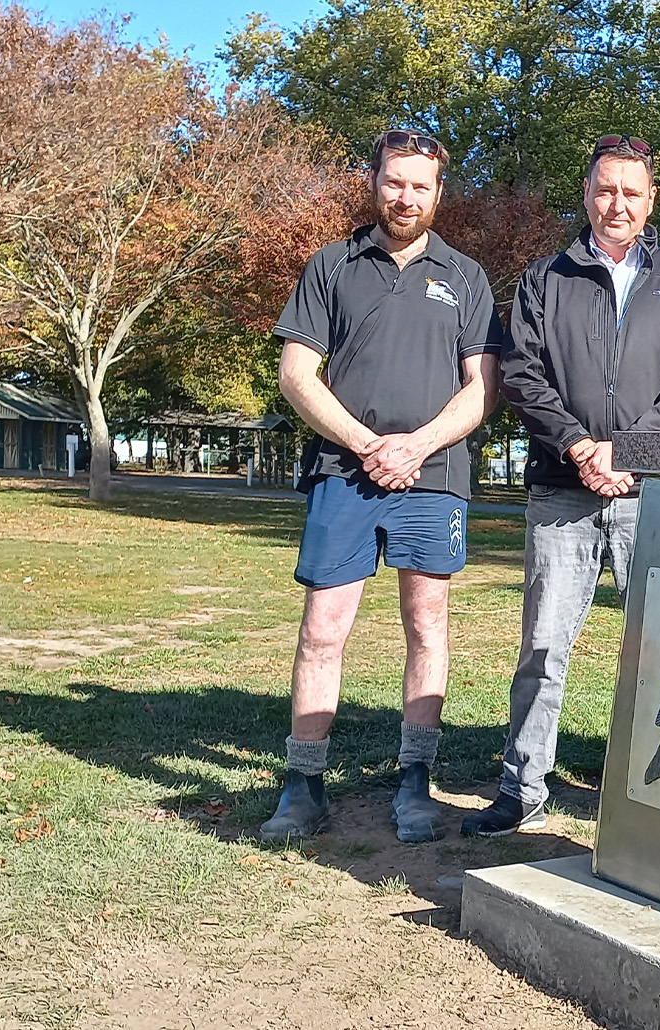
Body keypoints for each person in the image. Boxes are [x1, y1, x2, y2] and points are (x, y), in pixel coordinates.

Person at [463, 134, 660, 836]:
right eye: (605, 190)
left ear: (650, 201)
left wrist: (631, 451)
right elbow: (522, 372)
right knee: (543, 650)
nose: (617, 204)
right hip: (560, 490)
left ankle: (654, 791)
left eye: (631, 192)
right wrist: (580, 445)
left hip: (653, 497)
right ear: (586, 195)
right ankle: (522, 788)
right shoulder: (547, 279)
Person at [262, 129, 503, 844]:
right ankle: (303, 786)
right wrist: (368, 446)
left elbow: (483, 387)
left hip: (435, 478)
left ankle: (414, 783)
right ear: (374, 181)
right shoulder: (331, 266)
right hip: (345, 472)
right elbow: (296, 374)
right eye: (394, 181)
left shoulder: (467, 276)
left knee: (426, 629)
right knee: (321, 632)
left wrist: (417, 446)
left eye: (420, 185)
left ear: (438, 193)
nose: (406, 196)